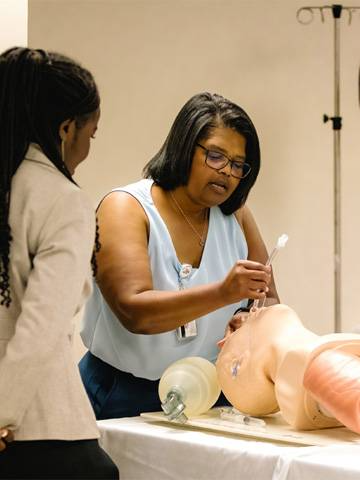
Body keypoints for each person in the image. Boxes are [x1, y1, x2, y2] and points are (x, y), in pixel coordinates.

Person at [80, 92, 279, 419]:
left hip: (207, 392)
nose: (228, 172)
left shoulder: (236, 215)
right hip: (120, 393)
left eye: (238, 164)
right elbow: (135, 312)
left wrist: (249, 321)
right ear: (185, 148)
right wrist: (223, 293)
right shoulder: (126, 207)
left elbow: (267, 299)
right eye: (215, 156)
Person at [0, 47, 119, 479]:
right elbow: (40, 326)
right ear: (66, 128)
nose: (87, 146)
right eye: (92, 133)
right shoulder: (60, 200)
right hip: (38, 430)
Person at [216, 303, 360, 434]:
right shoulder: (323, 367)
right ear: (242, 363)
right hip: (321, 370)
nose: (253, 310)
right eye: (237, 330)